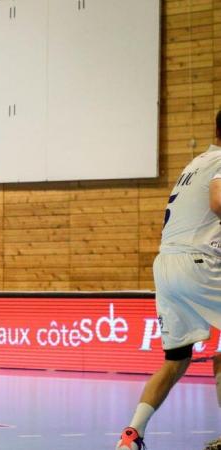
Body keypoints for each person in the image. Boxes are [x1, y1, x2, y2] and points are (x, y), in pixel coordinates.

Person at [116, 111, 221, 450]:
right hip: (198, 263)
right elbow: (218, 201)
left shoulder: (196, 163)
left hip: (166, 265)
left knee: (176, 360)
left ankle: (131, 436)